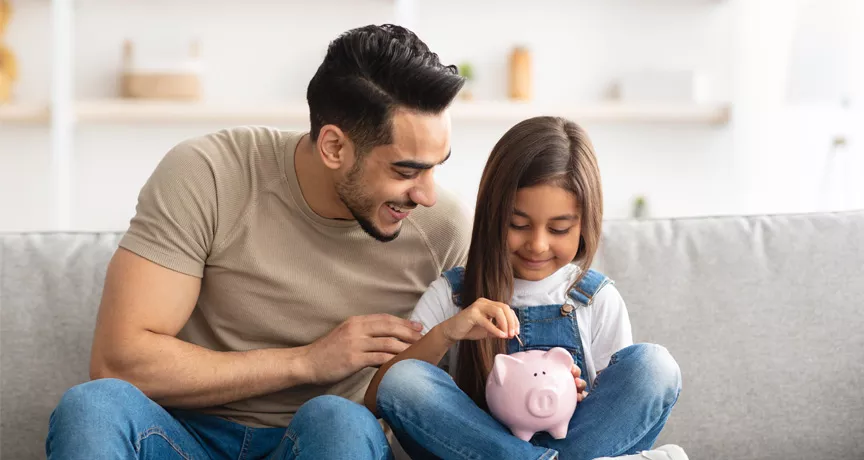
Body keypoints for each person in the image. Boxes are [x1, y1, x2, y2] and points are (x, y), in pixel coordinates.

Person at [45, 24, 470, 460]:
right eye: (406, 171)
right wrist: (307, 362)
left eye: (437, 167)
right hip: (181, 438)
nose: (427, 195)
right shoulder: (208, 175)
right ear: (333, 147)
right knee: (92, 407)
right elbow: (119, 362)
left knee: (339, 419)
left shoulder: (444, 230)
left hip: (322, 441)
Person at [365, 116, 686, 460]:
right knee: (405, 378)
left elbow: (610, 416)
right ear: (492, 216)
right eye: (518, 224)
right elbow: (382, 396)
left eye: (559, 229)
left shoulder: (596, 299)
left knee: (654, 366)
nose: (537, 244)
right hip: (475, 449)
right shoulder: (454, 294)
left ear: (584, 225)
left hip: (573, 442)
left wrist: (580, 393)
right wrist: (447, 333)